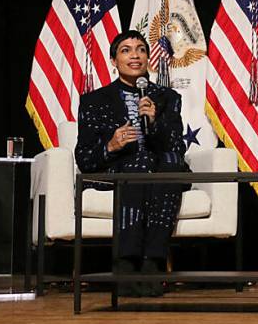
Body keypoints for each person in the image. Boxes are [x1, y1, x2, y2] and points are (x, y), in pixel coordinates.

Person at [74, 30, 190, 297]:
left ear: (148, 57)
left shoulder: (167, 98)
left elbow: (175, 147)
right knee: (138, 164)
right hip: (119, 170)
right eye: (126, 50)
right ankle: (126, 264)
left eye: (141, 49)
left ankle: (153, 264)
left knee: (169, 163)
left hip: (161, 170)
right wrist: (111, 146)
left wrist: (154, 122)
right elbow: (84, 158)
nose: (135, 55)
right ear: (114, 61)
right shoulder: (93, 102)